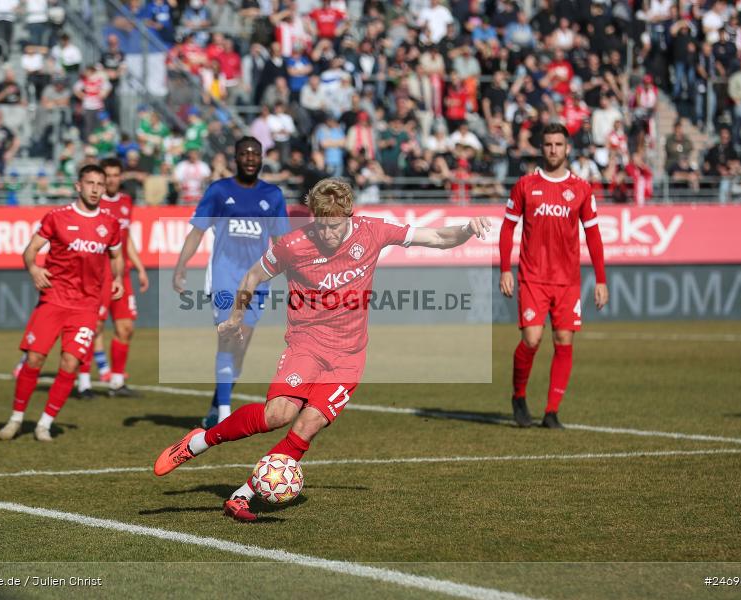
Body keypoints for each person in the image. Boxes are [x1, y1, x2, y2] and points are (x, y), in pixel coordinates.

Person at [154, 177, 491, 522]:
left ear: (350, 215)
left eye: (337, 225)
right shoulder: (292, 245)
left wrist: (467, 228)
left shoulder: (371, 231)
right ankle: (199, 442)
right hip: (306, 344)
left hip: (349, 357)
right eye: (323, 225)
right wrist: (236, 318)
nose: (329, 234)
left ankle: (242, 496)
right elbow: (253, 276)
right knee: (279, 415)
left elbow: (435, 237)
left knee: (308, 426)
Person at [0, 165, 124, 442]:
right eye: (89, 183)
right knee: (35, 358)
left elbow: (116, 255)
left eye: (99, 184)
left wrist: (118, 279)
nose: (94, 188)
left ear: (104, 188)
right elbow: (30, 250)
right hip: (54, 299)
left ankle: (45, 423)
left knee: (70, 363)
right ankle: (16, 418)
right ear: (78, 186)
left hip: (86, 306)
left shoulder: (110, 223)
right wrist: (34, 269)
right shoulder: (57, 217)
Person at [171, 136, 289, 429]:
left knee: (241, 346)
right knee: (229, 336)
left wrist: (295, 276)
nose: (250, 158)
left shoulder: (273, 195)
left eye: (255, 154)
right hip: (225, 276)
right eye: (244, 153)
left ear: (261, 158)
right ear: (236, 158)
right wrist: (180, 266)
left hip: (257, 280)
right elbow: (197, 232)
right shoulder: (219, 191)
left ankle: (215, 406)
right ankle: (224, 414)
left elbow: (281, 242)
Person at [498, 122, 608, 429]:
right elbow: (508, 227)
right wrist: (505, 269)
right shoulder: (525, 185)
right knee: (532, 339)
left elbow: (594, 236)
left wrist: (601, 280)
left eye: (558, 145)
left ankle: (551, 411)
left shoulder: (582, 190)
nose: (553, 150)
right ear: (541, 148)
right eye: (548, 145)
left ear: (567, 148)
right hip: (532, 277)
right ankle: (519, 396)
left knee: (563, 339)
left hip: (567, 280)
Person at [76, 158, 149, 398]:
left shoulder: (127, 201)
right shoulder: (93, 203)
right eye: (108, 175)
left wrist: (139, 268)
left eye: (117, 175)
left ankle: (117, 382)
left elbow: (126, 241)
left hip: (122, 274)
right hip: (97, 275)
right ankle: (84, 382)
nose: (112, 180)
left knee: (126, 327)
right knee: (92, 327)